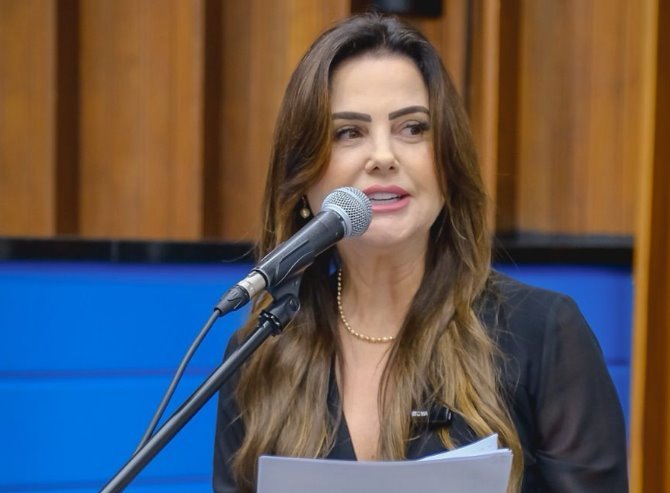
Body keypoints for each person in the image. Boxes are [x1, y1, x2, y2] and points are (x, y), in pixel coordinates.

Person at [213, 12, 628, 493]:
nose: (383, 156)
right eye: (348, 132)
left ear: (448, 163)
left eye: (413, 128)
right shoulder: (260, 353)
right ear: (304, 178)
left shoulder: (543, 333)